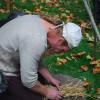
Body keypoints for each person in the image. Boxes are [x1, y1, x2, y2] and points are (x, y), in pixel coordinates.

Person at [0, 14, 82, 100]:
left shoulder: (40, 22)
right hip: (3, 70)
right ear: (60, 41)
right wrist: (46, 91)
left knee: (40, 81)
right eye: (62, 50)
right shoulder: (37, 40)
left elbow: (33, 55)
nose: (60, 53)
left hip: (9, 58)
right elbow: (28, 81)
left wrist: (49, 78)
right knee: (36, 97)